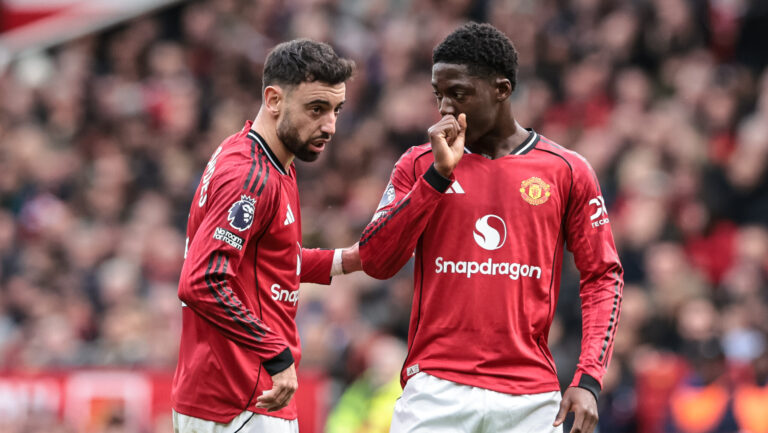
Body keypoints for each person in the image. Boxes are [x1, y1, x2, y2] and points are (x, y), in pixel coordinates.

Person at [359, 23, 624, 433]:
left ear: (501, 89)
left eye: (459, 94)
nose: (445, 108)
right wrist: (436, 178)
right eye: (439, 95)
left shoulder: (566, 170)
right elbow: (376, 260)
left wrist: (588, 378)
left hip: (530, 399)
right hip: (436, 389)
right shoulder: (417, 164)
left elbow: (603, 276)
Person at [172, 39, 359, 433]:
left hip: (236, 396)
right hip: (241, 399)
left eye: (336, 110)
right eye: (316, 109)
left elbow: (264, 260)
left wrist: (345, 261)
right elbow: (202, 280)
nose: (330, 126)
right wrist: (276, 354)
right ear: (274, 99)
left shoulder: (266, 159)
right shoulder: (250, 176)